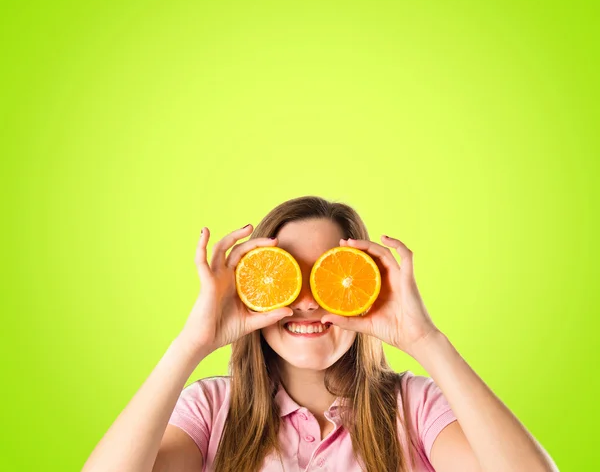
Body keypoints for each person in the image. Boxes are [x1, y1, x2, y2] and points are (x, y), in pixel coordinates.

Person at [82, 196, 559, 472]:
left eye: (331, 278)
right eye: (288, 275)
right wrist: (192, 343)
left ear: (367, 287)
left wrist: (424, 339)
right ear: (254, 290)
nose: (308, 300)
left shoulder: (413, 409)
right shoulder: (211, 410)